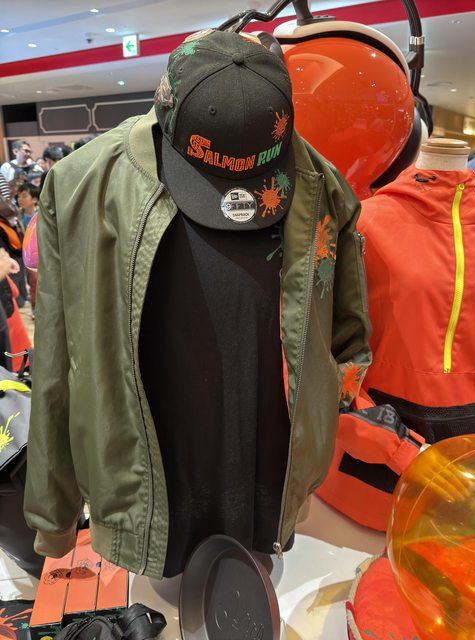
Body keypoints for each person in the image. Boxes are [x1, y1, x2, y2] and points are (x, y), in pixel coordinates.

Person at [24, 30, 371, 579]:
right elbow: (54, 369)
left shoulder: (322, 188)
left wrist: (321, 426)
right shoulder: (81, 187)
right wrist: (54, 518)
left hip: (270, 488)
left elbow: (348, 340)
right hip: (144, 499)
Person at [317, 137, 475, 530]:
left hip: (464, 488)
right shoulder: (365, 222)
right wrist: (396, 448)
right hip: (364, 482)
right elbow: (320, 357)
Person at [17, 183, 39, 319]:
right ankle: (34, 306)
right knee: (31, 281)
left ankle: (36, 307)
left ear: (34, 199)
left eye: (24, 196)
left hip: (37, 255)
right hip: (23, 254)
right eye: (19, 196)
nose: (20, 199)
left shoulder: (40, 215)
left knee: (35, 280)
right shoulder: (17, 216)